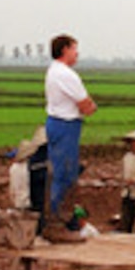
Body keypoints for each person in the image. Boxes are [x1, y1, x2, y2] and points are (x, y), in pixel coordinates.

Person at [44, 34, 97, 241]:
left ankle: (62, 222)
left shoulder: (54, 72)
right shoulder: (66, 75)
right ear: (65, 50)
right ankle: (58, 224)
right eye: (74, 49)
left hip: (60, 124)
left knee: (63, 173)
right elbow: (87, 105)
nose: (77, 53)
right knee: (64, 175)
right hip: (65, 125)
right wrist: (90, 107)